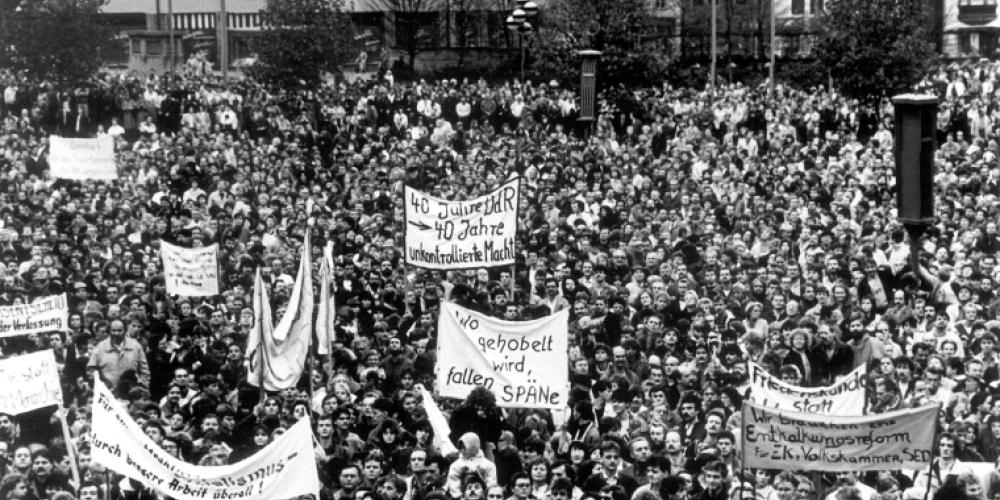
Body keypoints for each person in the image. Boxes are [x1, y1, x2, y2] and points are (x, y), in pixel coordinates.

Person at [87, 319, 149, 390]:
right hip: (108, 393)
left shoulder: (135, 346)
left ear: (125, 331)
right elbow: (91, 369)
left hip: (131, 392)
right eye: (113, 330)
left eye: (119, 330)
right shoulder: (100, 347)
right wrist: (102, 384)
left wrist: (142, 387)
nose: (116, 333)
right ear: (109, 331)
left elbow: (144, 370)